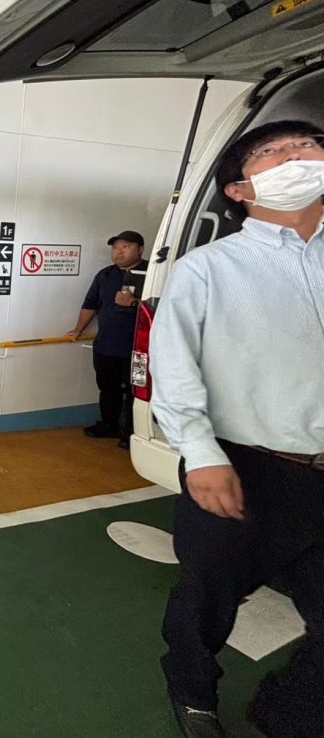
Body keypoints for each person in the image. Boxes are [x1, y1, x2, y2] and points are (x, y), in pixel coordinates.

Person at [151, 120, 324, 738]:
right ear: (239, 190)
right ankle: (193, 692)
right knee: (207, 599)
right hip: (244, 467)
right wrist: (200, 454)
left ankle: (289, 711)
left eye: (308, 145)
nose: (295, 156)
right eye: (270, 152)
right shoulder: (207, 269)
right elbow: (175, 367)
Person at [67, 230, 148, 449]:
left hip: (138, 349)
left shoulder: (153, 273)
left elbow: (165, 306)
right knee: (107, 388)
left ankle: (131, 434)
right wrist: (78, 329)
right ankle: (109, 425)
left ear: (140, 249)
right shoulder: (105, 275)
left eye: (126, 247)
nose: (119, 252)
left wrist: (133, 303)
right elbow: (90, 305)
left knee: (135, 392)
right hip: (106, 345)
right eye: (115, 248)